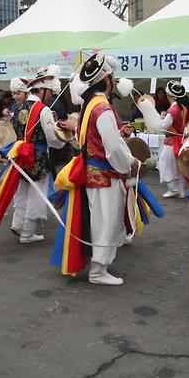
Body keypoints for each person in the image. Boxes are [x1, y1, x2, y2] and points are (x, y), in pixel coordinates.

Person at [50, 53, 142, 286]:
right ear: (108, 80)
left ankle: (98, 267)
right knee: (106, 221)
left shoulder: (90, 105)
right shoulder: (103, 108)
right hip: (104, 175)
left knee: (98, 219)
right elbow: (113, 147)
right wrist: (130, 163)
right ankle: (98, 270)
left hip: (90, 172)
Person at [0, 68, 67, 243]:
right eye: (49, 92)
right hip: (38, 157)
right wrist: (63, 141)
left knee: (22, 191)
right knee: (37, 193)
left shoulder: (17, 107)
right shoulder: (43, 110)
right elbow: (52, 138)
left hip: (20, 155)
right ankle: (27, 233)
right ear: (41, 90)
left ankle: (17, 224)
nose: (50, 96)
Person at [156, 80, 189, 198]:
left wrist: (159, 119)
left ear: (169, 95)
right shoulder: (182, 107)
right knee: (178, 166)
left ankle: (173, 188)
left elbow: (164, 126)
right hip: (180, 139)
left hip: (171, 141)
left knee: (166, 164)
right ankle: (180, 190)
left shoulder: (173, 110)